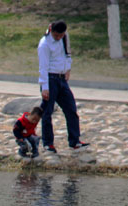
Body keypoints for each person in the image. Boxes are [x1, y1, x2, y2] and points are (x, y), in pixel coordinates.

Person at [38, 20, 89, 153]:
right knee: (47, 112)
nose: (59, 38)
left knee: (71, 109)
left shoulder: (65, 38)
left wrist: (68, 69)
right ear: (52, 31)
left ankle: (74, 141)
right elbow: (43, 67)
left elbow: (67, 54)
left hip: (62, 79)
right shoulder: (44, 44)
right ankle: (48, 143)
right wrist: (45, 87)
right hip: (50, 79)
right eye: (56, 36)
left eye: (61, 35)